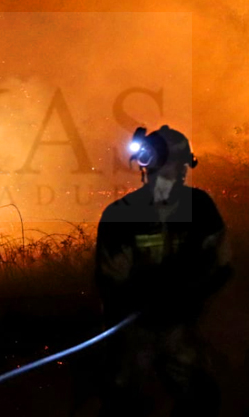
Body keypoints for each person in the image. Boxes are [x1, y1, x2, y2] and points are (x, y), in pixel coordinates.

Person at [95, 125, 232, 417]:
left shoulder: (201, 206)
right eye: (175, 164)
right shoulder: (120, 215)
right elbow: (111, 281)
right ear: (151, 165)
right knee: (125, 403)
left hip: (181, 325)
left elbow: (223, 265)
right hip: (134, 329)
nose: (182, 171)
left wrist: (191, 298)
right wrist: (144, 302)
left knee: (200, 398)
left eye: (184, 164)